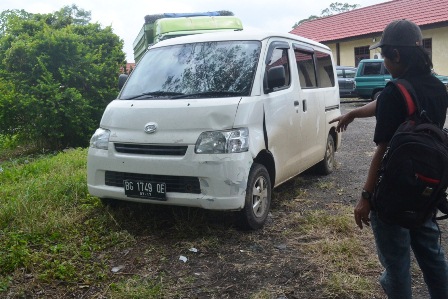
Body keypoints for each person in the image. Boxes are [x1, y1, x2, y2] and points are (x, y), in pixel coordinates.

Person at [331, 19, 448, 298]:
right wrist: (354, 113)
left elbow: (382, 150)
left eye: (384, 56)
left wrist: (365, 197)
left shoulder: (397, 91)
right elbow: (387, 101)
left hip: (393, 193)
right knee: (433, 259)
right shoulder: (437, 87)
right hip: (426, 189)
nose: (383, 62)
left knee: (397, 268)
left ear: (396, 55)